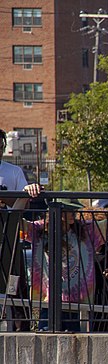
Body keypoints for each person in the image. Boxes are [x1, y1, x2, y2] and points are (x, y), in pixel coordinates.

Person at [12, 183, 108, 332]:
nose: (73, 213)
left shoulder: (86, 230)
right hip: (49, 301)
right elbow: (14, 219)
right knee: (47, 341)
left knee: (78, 345)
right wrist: (25, 194)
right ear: (57, 211)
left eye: (74, 209)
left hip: (78, 304)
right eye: (69, 210)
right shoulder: (39, 230)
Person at [0, 129, 31, 331]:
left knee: (14, 282)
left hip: (8, 234)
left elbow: (24, 203)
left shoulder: (13, 171)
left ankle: (20, 326)